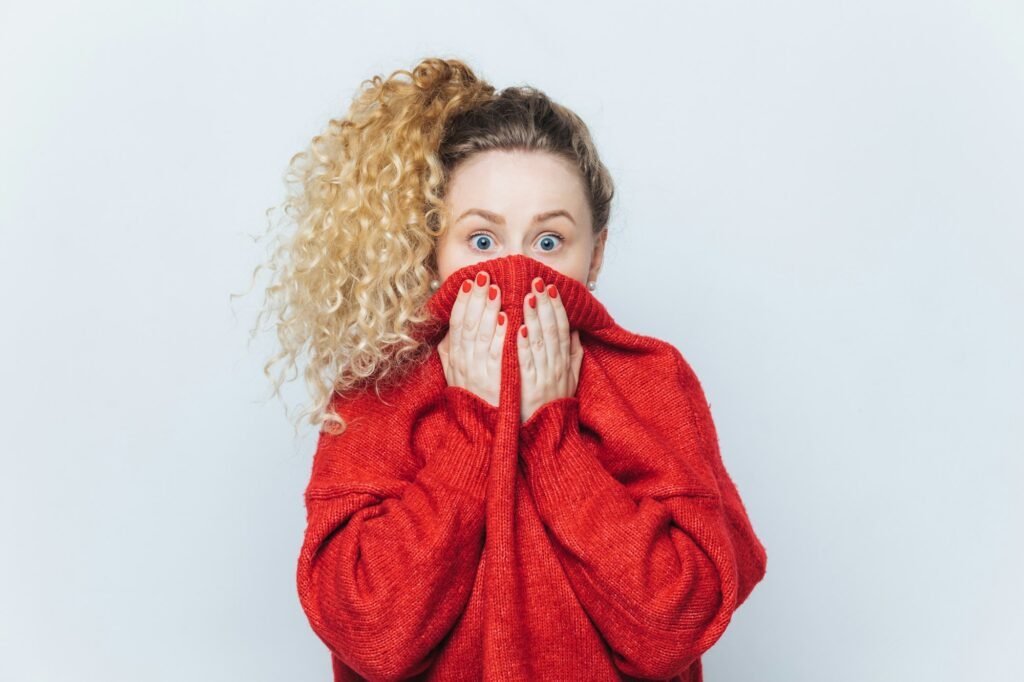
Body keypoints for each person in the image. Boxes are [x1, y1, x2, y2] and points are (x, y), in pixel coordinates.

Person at [257, 56, 767, 681]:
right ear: (433, 250)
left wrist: (552, 436)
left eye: (549, 241)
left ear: (596, 254)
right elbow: (374, 635)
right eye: (481, 240)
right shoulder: (378, 391)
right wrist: (473, 427)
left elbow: (672, 629)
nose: (516, 269)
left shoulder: (651, 382)